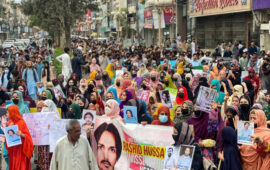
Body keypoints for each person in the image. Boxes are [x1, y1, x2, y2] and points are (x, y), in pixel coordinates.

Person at [5, 105, 33, 170]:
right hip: (13, 152)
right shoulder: (9, 122)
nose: (6, 114)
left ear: (13, 112)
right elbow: (8, 138)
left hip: (21, 152)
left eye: (8, 112)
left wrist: (22, 134)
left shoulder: (22, 123)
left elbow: (29, 138)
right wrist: (9, 128)